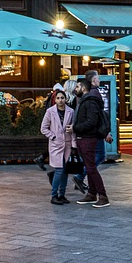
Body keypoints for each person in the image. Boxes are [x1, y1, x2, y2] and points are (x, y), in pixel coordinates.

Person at [72, 73, 111, 208]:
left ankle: (103, 195)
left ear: (83, 87)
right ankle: (92, 194)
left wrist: (75, 128)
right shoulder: (86, 100)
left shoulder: (90, 102)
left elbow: (91, 122)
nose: (75, 89)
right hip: (84, 138)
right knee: (89, 168)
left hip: (88, 138)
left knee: (91, 168)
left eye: (77, 86)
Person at [40, 88, 76, 205]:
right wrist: (53, 136)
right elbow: (43, 128)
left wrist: (74, 145)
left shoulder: (71, 111)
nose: (60, 100)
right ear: (55, 100)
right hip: (55, 145)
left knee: (65, 171)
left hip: (67, 144)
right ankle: (54, 195)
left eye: (62, 98)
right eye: (58, 98)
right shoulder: (50, 111)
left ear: (66, 99)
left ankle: (62, 195)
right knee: (59, 170)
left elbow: (73, 130)